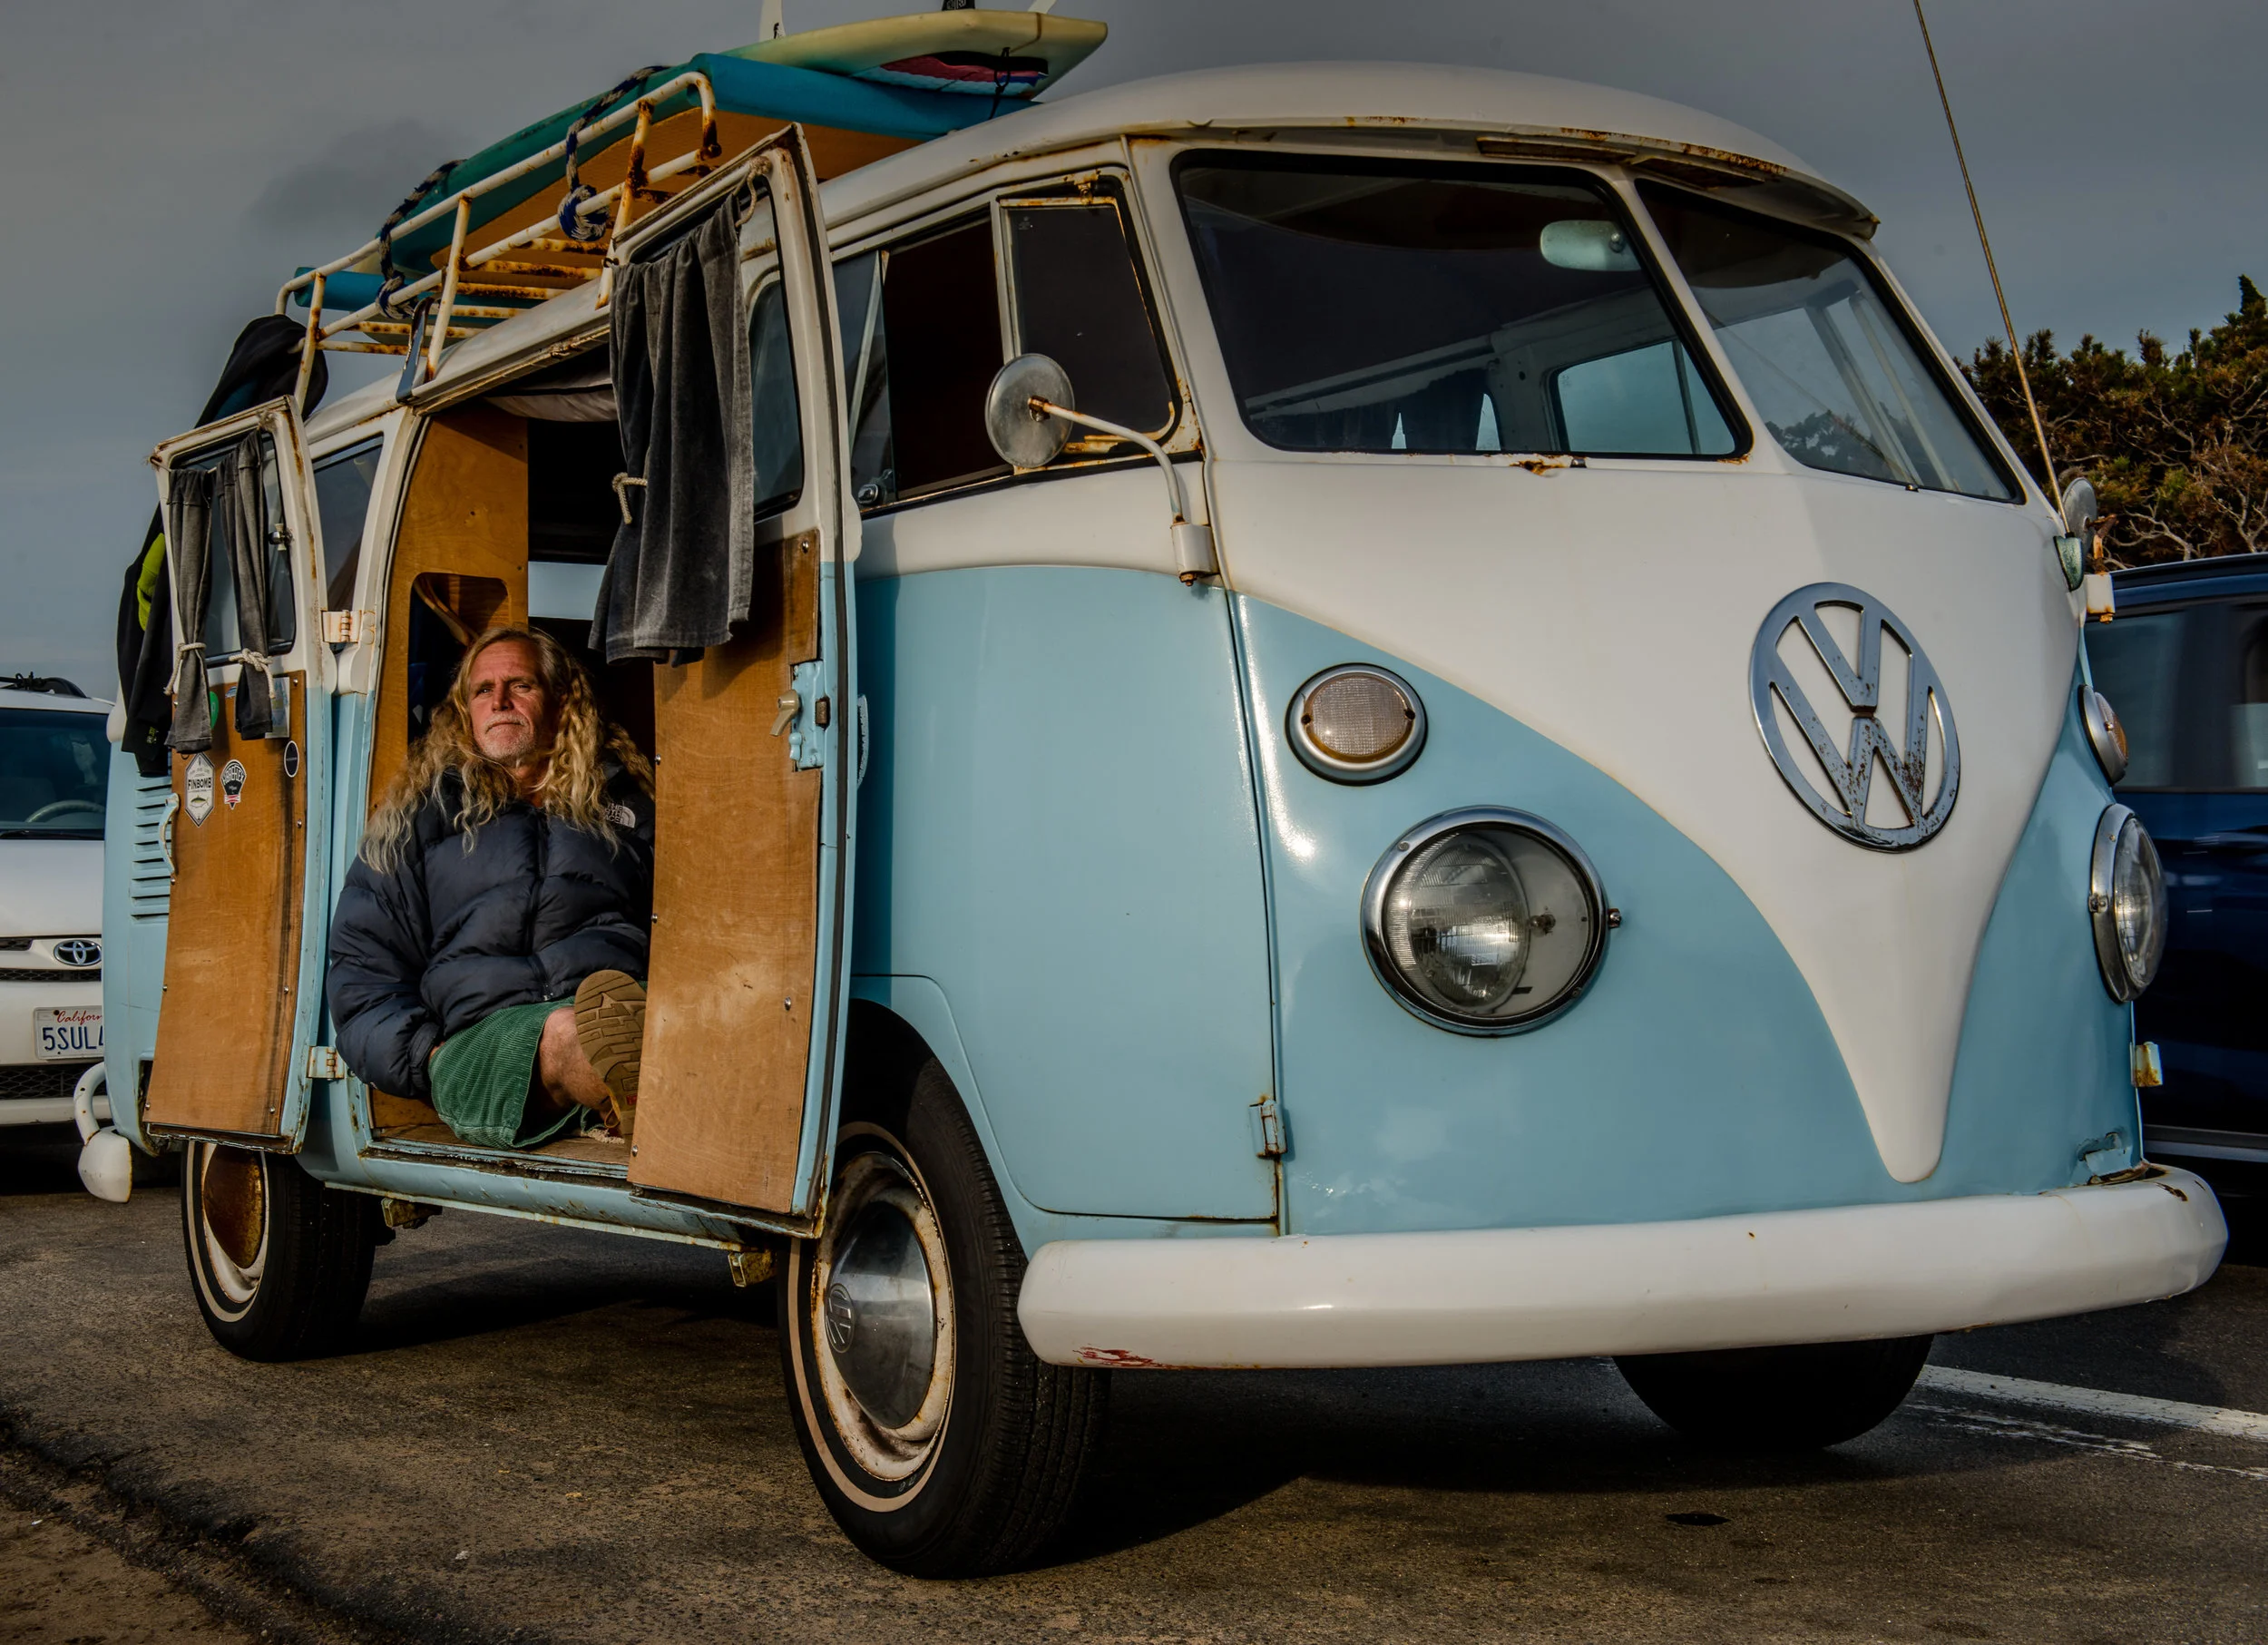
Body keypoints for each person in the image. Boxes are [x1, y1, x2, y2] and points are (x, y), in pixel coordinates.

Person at [327, 626, 654, 1149]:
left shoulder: (627, 808)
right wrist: (426, 1058)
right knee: (574, 1032)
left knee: (640, 1022)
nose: (499, 701)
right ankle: (645, 1096)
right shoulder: (419, 820)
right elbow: (362, 971)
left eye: (520, 685)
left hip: (617, 1002)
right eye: (483, 690)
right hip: (484, 1040)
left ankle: (627, 1092)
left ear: (562, 699)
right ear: (465, 713)